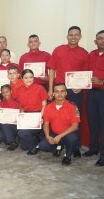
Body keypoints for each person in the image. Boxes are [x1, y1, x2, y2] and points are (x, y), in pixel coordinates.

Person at [48, 26, 89, 157]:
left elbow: (87, 74)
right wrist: (50, 89)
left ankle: (75, 146)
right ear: (67, 36)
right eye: (71, 35)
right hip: (60, 90)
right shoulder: (58, 50)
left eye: (76, 35)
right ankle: (59, 143)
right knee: (58, 118)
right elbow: (52, 70)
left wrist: (81, 86)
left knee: (75, 119)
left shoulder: (84, 53)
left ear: (80, 37)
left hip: (76, 91)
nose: (73, 37)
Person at [39, 83, 80, 165]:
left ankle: (67, 156)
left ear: (66, 93)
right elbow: (46, 124)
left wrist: (60, 136)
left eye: (62, 91)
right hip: (55, 133)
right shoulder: (48, 107)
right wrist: (47, 136)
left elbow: (75, 126)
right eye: (57, 91)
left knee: (72, 139)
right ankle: (59, 146)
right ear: (53, 94)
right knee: (43, 146)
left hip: (68, 134)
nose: (59, 94)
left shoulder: (73, 106)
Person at [84, 30, 104, 166]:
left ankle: (103, 154)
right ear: (95, 41)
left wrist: (103, 82)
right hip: (91, 93)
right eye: (99, 38)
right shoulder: (90, 55)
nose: (102, 41)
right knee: (93, 121)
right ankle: (93, 148)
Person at [17, 69, 48, 155]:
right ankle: (36, 138)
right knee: (23, 146)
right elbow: (21, 106)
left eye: (31, 77)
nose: (29, 79)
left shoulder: (40, 88)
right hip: (26, 116)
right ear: (22, 79)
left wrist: (41, 117)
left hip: (38, 115)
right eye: (26, 78)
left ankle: (34, 146)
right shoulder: (20, 90)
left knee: (22, 133)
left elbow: (44, 104)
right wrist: (22, 114)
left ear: (33, 78)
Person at [0, 84, 20, 151]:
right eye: (3, 92)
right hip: (6, 127)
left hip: (15, 126)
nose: (5, 94)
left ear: (11, 91)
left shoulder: (17, 102)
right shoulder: (1, 103)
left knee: (5, 124)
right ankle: (11, 139)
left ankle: (13, 142)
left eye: (7, 91)